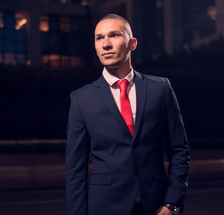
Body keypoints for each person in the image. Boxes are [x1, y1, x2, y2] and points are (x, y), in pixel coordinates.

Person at [65, 14, 190, 215]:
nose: (105, 44)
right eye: (99, 38)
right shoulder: (81, 99)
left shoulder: (161, 88)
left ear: (132, 43)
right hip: (104, 207)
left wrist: (172, 203)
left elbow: (180, 150)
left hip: (156, 205)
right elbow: (75, 168)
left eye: (114, 35)